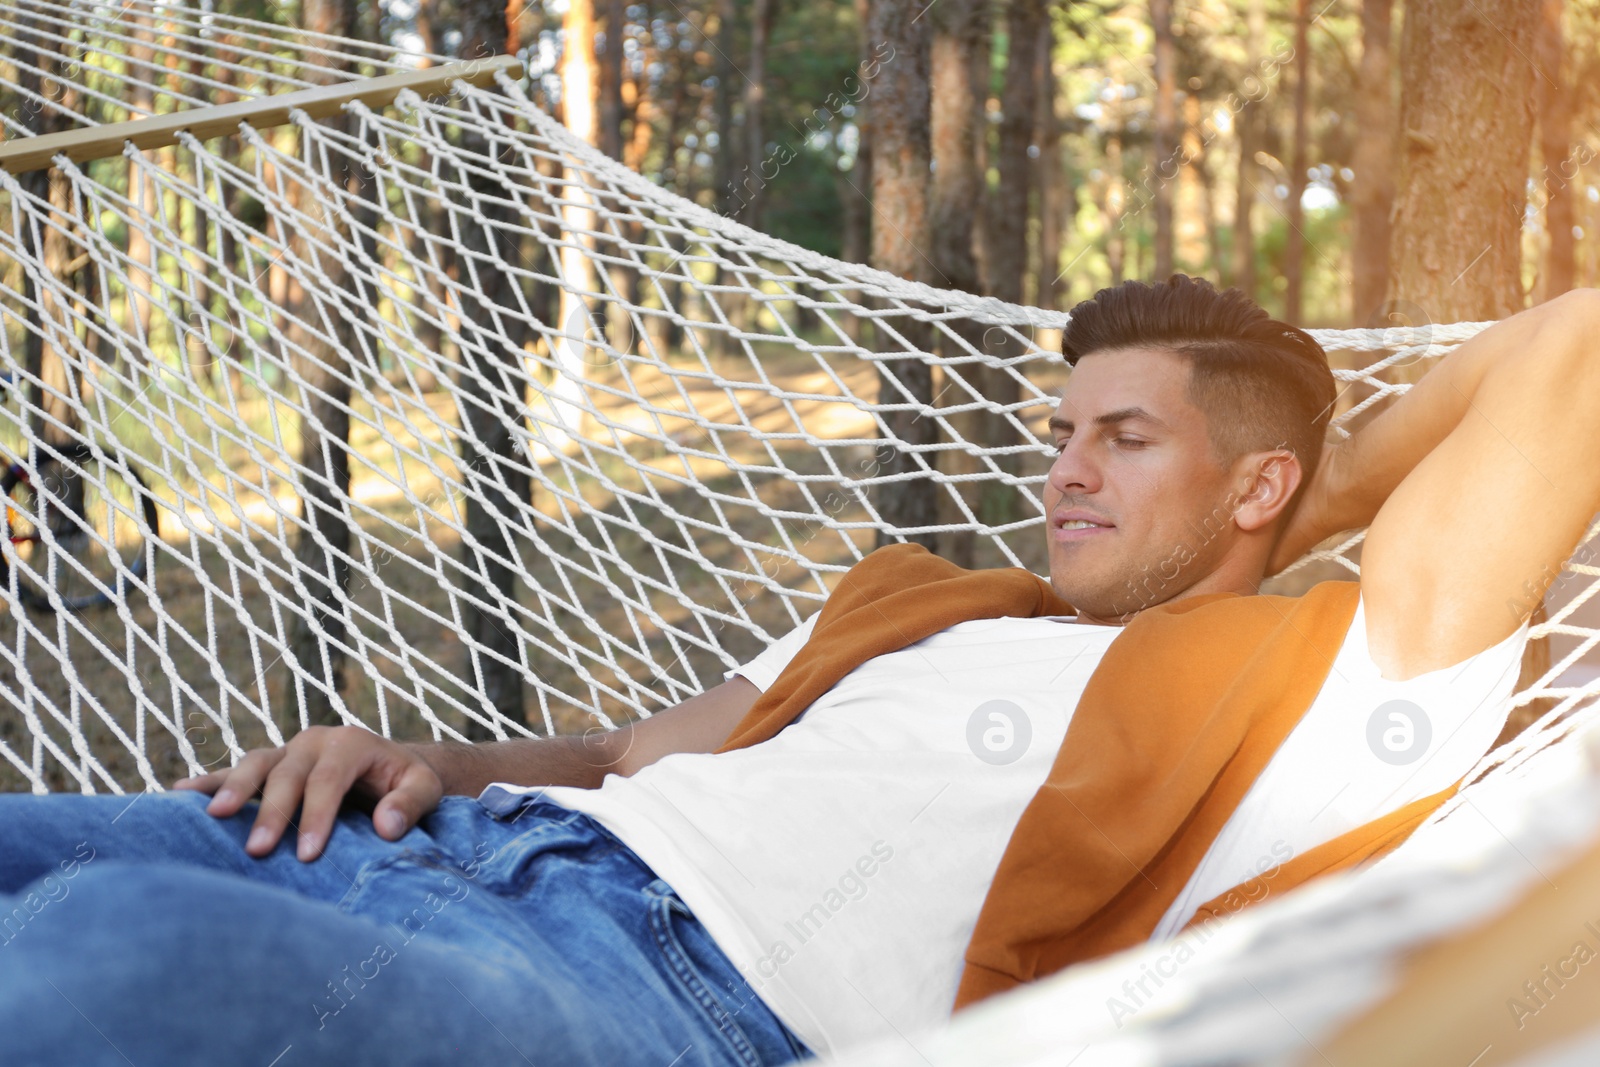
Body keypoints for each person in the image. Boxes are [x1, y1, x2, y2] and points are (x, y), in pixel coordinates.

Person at [3, 275, 1595, 1066]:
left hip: (659, 998)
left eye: (1126, 439)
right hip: (449, 851)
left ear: (1254, 486)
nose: (1067, 474)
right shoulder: (927, 601)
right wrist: (418, 756)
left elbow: (1572, 347)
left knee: (118, 953)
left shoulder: (1327, 688)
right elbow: (633, 749)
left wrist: (1302, 500)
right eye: (1061, 435)